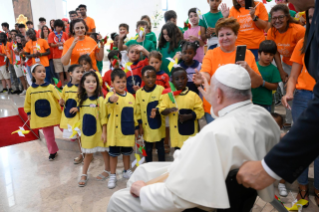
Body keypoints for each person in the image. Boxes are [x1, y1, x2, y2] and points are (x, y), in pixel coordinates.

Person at [107, 64, 280, 212]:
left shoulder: (212, 134)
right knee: (144, 170)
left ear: (218, 94)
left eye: (211, 89)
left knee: (118, 198)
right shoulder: (264, 117)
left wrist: (144, 191)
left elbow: (176, 198)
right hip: (237, 198)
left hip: (201, 204)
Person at [235, 0, 319, 203]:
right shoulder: (296, 38)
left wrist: (268, 167)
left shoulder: (299, 31)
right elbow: (289, 68)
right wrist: (289, 86)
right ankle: (302, 188)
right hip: (296, 80)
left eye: (313, 18)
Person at [193, 17, 263, 124]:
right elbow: (205, 72)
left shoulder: (247, 54)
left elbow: (257, 83)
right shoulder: (211, 54)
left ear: (236, 35)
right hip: (215, 108)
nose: (225, 38)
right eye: (221, 35)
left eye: (228, 34)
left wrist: (248, 69)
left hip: (240, 109)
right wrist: (202, 78)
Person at [280, 8, 316, 206]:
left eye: (315, 15)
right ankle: (302, 187)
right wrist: (289, 92)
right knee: (302, 146)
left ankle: (317, 188)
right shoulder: (303, 43)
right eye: (309, 17)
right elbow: (293, 76)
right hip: (302, 97)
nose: (313, 19)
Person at [267, 4, 305, 128]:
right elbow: (276, 52)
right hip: (286, 63)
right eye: (274, 18)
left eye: (281, 17)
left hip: (303, 65)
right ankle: (289, 120)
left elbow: (304, 53)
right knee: (287, 92)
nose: (277, 21)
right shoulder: (272, 31)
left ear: (287, 17)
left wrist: (293, 75)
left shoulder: (299, 30)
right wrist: (282, 71)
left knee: (299, 92)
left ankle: (300, 121)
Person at [69, 71, 110, 187]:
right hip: (87, 132)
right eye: (88, 82)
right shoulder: (81, 100)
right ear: (83, 84)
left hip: (99, 132)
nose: (91, 84)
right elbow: (82, 116)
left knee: (103, 151)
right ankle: (84, 174)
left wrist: (104, 132)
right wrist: (79, 130)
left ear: (97, 84)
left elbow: (103, 117)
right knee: (88, 153)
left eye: (94, 81)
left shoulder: (100, 100)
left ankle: (107, 170)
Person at [104, 69, 139, 189]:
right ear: (112, 83)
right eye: (118, 82)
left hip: (128, 130)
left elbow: (134, 114)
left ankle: (126, 170)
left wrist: (136, 127)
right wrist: (110, 100)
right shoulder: (110, 96)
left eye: (123, 81)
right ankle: (113, 175)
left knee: (127, 153)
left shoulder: (130, 97)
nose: (121, 84)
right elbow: (106, 106)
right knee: (113, 154)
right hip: (114, 132)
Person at [159, 67, 204, 149]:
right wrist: (168, 110)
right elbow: (161, 109)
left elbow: (200, 111)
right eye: (177, 79)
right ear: (172, 81)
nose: (180, 81)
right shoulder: (168, 96)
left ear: (187, 79)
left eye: (183, 78)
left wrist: (189, 116)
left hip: (191, 138)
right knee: (178, 159)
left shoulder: (193, 96)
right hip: (176, 138)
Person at [24, 64, 61, 161]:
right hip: (42, 117)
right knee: (48, 136)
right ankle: (53, 152)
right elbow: (27, 103)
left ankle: (82, 144)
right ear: (33, 74)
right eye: (39, 71)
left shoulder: (51, 87)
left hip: (55, 115)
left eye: (44, 71)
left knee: (66, 129)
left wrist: (63, 100)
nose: (43, 73)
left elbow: (60, 97)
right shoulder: (30, 90)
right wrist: (28, 113)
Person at [136, 66, 166, 162]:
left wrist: (157, 109)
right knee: (147, 148)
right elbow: (137, 111)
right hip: (145, 127)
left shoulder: (160, 89)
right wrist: (139, 125)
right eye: (147, 76)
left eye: (153, 76)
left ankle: (162, 167)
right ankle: (148, 167)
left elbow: (163, 103)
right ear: (142, 78)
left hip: (158, 126)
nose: (150, 79)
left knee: (160, 147)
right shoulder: (139, 93)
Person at [59, 64, 84, 164]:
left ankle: (85, 154)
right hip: (71, 117)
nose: (80, 73)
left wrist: (78, 108)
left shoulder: (83, 86)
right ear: (70, 74)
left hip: (81, 115)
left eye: (82, 71)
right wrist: (61, 101)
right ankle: (83, 153)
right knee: (78, 136)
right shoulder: (66, 87)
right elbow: (63, 99)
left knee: (82, 136)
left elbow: (86, 100)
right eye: (78, 71)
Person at [251, 40, 281, 112]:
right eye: (265, 54)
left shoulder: (273, 69)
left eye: (271, 55)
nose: (268, 57)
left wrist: (262, 83)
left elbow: (275, 86)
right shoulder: (253, 66)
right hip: (251, 101)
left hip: (265, 102)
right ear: (259, 53)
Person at [48, 19, 69, 85]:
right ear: (55, 27)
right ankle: (62, 86)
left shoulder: (65, 34)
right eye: (58, 27)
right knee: (60, 72)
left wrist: (63, 44)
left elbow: (68, 43)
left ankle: (69, 85)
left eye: (61, 27)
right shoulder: (51, 34)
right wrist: (57, 44)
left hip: (65, 55)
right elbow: (51, 45)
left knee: (67, 71)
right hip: (56, 56)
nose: (60, 28)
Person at [11, 30, 28, 95]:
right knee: (20, 76)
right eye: (16, 38)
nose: (17, 39)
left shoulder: (25, 44)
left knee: (26, 76)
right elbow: (14, 54)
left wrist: (21, 56)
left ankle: (29, 89)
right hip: (16, 63)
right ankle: (25, 89)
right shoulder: (14, 44)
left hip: (24, 62)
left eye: (18, 38)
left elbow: (25, 54)